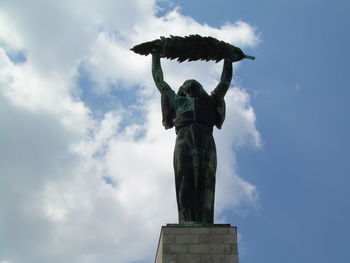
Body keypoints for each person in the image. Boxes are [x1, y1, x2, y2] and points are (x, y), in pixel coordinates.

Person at [151, 53, 233, 224]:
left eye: (194, 82)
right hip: (184, 140)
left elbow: (225, 82)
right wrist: (155, 56)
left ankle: (204, 218)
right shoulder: (177, 101)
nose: (190, 82)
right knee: (184, 178)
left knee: (205, 179)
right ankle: (187, 218)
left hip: (205, 140)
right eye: (186, 83)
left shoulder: (211, 101)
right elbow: (160, 82)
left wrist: (228, 58)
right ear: (183, 89)